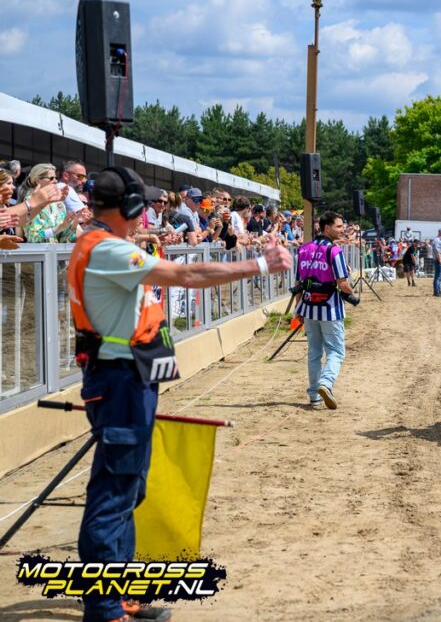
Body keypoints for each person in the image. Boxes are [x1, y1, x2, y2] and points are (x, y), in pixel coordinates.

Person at [70, 166, 291, 622]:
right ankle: (104, 606)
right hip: (118, 381)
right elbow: (185, 276)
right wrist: (260, 265)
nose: (147, 214)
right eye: (142, 206)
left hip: (127, 378)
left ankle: (119, 593)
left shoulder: (105, 243)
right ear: (129, 206)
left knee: (129, 489)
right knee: (113, 493)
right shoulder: (105, 248)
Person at [294, 211, 353, 409]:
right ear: (327, 228)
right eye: (339, 226)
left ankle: (314, 395)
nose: (342, 229)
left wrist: (298, 309)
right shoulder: (334, 251)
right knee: (336, 351)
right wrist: (352, 294)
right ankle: (326, 383)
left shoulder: (304, 249)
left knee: (314, 353)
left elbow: (298, 283)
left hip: (309, 308)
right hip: (330, 309)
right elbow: (343, 283)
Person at [20, 163, 83, 243]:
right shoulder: (30, 202)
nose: (55, 181)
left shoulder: (58, 203)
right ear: (38, 181)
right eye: (51, 178)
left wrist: (74, 223)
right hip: (38, 251)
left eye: (56, 178)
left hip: (56, 251)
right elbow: (34, 238)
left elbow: (63, 239)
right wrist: (60, 227)